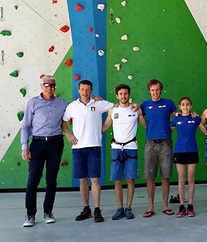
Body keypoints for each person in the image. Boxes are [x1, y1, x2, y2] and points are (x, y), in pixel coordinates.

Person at [62, 80, 114, 223]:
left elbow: (115, 108)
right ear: (78, 90)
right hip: (78, 148)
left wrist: (105, 125)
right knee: (82, 179)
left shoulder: (98, 103)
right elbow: (63, 121)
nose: (85, 92)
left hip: (94, 147)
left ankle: (97, 209)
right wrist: (68, 134)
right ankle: (86, 209)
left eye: (88, 89)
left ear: (91, 90)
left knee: (95, 179)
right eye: (82, 89)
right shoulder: (72, 107)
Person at [21, 75, 69, 227]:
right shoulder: (32, 103)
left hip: (56, 143)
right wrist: (25, 147)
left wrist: (96, 100)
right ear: (41, 86)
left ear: (55, 87)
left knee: (51, 179)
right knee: (33, 179)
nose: (49, 87)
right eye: (46, 85)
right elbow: (26, 126)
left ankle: (48, 212)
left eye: (52, 85)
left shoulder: (62, 103)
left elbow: (79, 107)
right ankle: (30, 215)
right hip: (37, 143)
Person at [101, 84, 146, 220]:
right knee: (118, 180)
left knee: (131, 180)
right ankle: (120, 208)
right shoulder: (112, 111)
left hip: (131, 147)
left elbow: (146, 125)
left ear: (129, 94)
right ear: (117, 96)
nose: (123, 96)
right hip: (116, 148)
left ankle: (128, 208)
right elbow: (104, 127)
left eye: (126, 93)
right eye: (121, 94)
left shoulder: (136, 110)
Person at [140, 79, 177, 217]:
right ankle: (150, 207)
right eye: (152, 90)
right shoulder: (145, 105)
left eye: (157, 89)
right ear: (149, 90)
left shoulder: (169, 103)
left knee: (165, 176)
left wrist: (170, 129)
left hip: (166, 144)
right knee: (150, 176)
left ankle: (165, 205)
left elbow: (178, 117)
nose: (155, 92)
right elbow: (137, 115)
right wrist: (148, 128)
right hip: (150, 144)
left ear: (160, 90)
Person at [170, 97, 206, 218]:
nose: (185, 107)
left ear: (191, 106)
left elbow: (206, 132)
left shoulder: (195, 118)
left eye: (187, 105)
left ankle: (190, 205)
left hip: (192, 151)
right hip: (179, 151)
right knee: (181, 178)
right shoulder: (176, 119)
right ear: (179, 106)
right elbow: (168, 130)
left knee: (190, 178)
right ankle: (181, 205)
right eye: (183, 105)